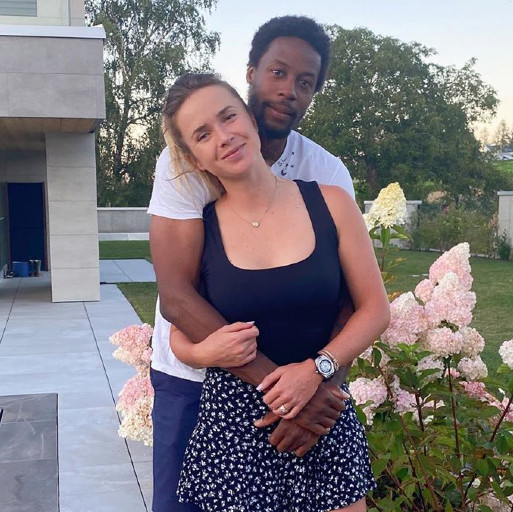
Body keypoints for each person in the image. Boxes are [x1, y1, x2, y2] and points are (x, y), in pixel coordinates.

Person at [147, 16, 359, 512]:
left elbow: (353, 299)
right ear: (251, 75)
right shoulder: (185, 163)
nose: (288, 90)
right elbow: (177, 297)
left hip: (308, 385)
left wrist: (322, 383)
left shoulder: (327, 175)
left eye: (305, 82)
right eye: (277, 72)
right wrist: (286, 395)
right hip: (196, 381)